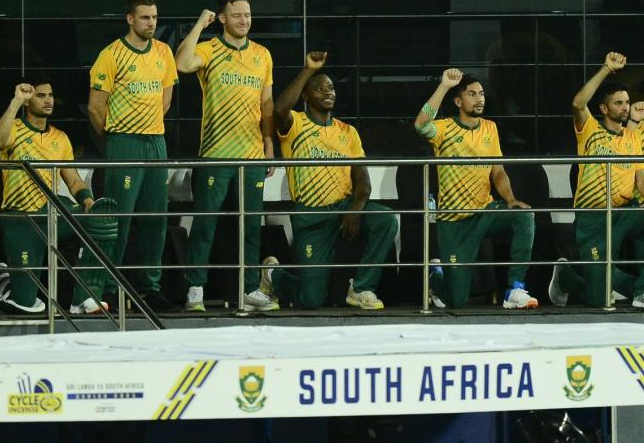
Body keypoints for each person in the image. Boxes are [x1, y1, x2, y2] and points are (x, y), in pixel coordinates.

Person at [261, 51, 396, 310]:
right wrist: (308, 70)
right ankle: (273, 275)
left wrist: (356, 209)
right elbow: (278, 108)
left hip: (342, 207)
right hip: (310, 217)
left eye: (331, 88)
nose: (328, 91)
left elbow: (363, 181)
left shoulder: (348, 131)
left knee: (386, 219)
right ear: (306, 95)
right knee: (311, 300)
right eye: (320, 88)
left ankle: (362, 288)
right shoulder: (296, 124)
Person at [175, 0, 277, 312]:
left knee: (250, 227)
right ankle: (195, 290)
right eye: (236, 15)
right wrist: (198, 25)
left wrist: (269, 143)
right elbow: (181, 62)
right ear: (222, 18)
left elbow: (267, 103)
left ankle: (248, 289)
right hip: (215, 155)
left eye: (247, 14)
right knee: (205, 225)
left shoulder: (262, 54)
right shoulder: (210, 48)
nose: (244, 20)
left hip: (252, 156)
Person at [83, 0, 179, 311]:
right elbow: (96, 109)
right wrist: (115, 142)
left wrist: (148, 127)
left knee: (156, 219)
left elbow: (165, 100)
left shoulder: (164, 52)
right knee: (118, 220)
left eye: (154, 17)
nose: (151, 23)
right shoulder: (110, 55)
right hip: (124, 141)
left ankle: (150, 288)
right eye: (145, 18)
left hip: (156, 141)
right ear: (130, 19)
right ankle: (110, 287)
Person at [413, 68, 538, 309]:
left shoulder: (490, 128)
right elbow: (420, 125)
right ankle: (436, 274)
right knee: (456, 301)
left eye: (481, 93)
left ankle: (515, 288)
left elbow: (498, 171)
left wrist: (510, 199)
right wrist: (445, 86)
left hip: (484, 211)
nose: (479, 98)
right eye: (472, 94)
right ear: (458, 101)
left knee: (524, 216)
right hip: (454, 221)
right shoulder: (444, 128)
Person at [0, 81, 115, 315]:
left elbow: (74, 181)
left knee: (100, 221)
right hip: (21, 220)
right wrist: (16, 100)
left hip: (51, 213)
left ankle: (85, 297)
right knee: (26, 305)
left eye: (50, 95)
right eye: (40, 96)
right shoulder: (14, 128)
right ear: (29, 100)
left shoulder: (60, 137)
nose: (48, 100)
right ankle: (1, 282)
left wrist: (89, 202)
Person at [549, 53, 644, 307]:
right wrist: (605, 69)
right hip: (593, 216)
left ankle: (641, 290)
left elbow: (640, 178)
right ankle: (566, 276)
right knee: (598, 297)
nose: (625, 107)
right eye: (618, 103)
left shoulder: (634, 138)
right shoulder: (589, 130)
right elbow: (579, 104)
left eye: (627, 102)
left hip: (624, 213)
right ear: (604, 108)